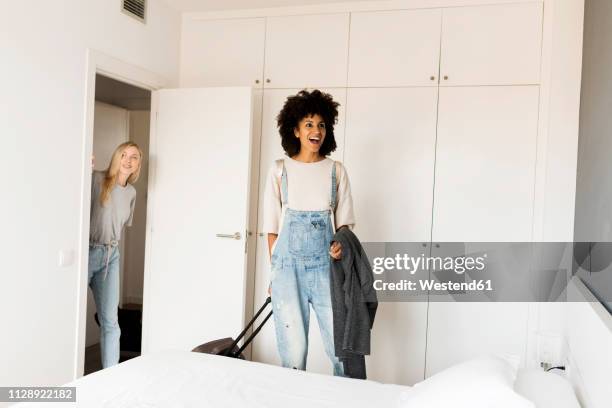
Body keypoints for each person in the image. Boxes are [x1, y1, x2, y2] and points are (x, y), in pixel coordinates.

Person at [263, 89, 355, 376]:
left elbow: (344, 227)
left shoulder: (336, 171)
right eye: (309, 124)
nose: (317, 131)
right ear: (295, 130)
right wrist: (277, 274)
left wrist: (341, 245)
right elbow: (271, 229)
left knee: (342, 351)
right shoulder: (279, 171)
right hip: (287, 272)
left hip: (328, 271)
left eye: (322, 125)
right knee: (294, 354)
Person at [89, 142, 141, 368]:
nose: (128, 160)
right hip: (88, 252)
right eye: (124, 155)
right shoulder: (97, 179)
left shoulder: (131, 193)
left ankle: (111, 375)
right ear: (116, 157)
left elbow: (120, 226)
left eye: (134, 157)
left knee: (111, 322)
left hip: (111, 255)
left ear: (138, 164)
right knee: (71, 313)